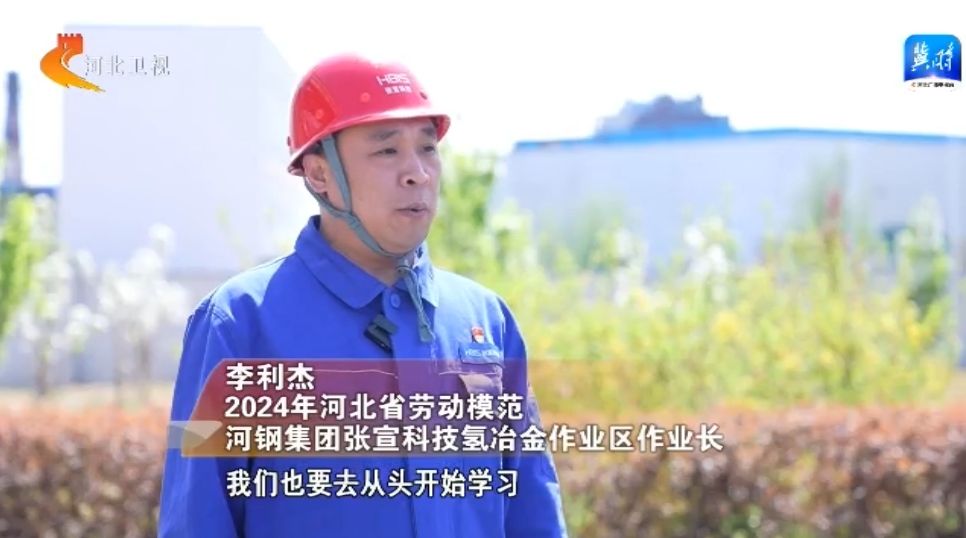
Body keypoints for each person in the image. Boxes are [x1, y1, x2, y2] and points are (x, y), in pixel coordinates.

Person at [157, 53, 568, 537]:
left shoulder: (484, 319)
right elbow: (195, 518)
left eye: (428, 148)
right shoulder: (237, 323)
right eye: (387, 150)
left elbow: (533, 509)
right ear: (319, 174)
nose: (417, 173)